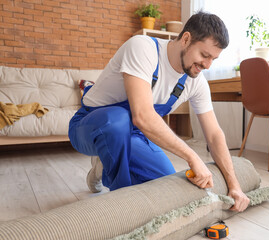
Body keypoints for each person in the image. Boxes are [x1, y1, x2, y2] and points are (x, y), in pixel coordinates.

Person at [68, 11, 250, 212]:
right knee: (117, 121)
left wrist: (235, 186)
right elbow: (143, 116)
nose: (207, 65)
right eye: (204, 55)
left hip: (134, 134)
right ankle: (122, 205)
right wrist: (193, 157)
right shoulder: (143, 48)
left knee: (166, 183)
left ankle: (102, 167)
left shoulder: (195, 82)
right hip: (89, 127)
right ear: (186, 39)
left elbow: (214, 135)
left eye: (213, 59)